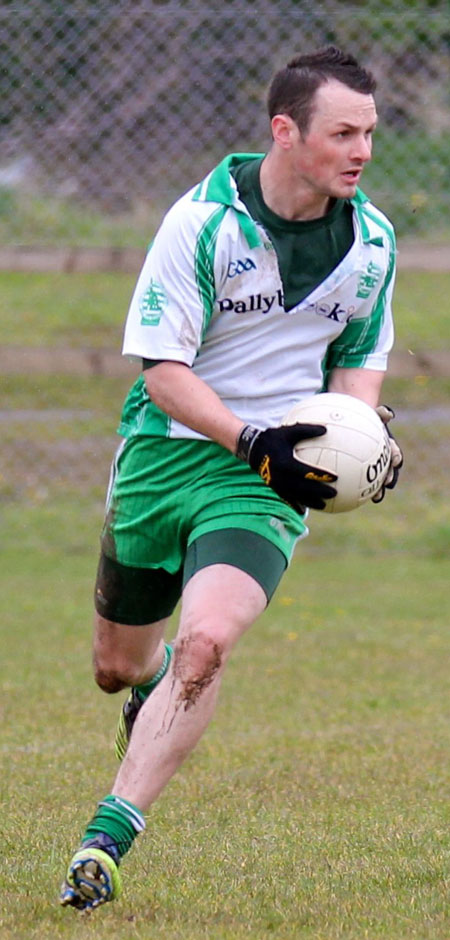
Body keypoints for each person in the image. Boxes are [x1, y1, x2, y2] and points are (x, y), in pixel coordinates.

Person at [60, 45, 403, 911]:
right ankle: (151, 683)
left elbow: (360, 358)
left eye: (369, 131)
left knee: (209, 641)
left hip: (265, 478)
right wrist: (252, 437)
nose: (361, 150)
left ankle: (105, 843)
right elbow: (160, 373)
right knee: (116, 664)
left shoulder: (370, 242)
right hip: (167, 453)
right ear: (285, 132)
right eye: (342, 133)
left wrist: (361, 432)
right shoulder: (202, 223)